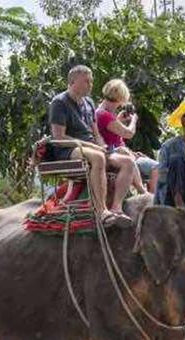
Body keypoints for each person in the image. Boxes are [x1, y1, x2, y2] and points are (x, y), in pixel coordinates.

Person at [48, 65, 134, 227]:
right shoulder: (59, 102)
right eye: (86, 81)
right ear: (73, 82)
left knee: (127, 162)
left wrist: (103, 146)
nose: (91, 84)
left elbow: (96, 134)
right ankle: (102, 211)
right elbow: (59, 137)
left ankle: (116, 207)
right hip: (68, 149)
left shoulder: (89, 102)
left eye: (91, 81)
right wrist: (94, 147)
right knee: (98, 157)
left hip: (91, 147)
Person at [94, 79, 156, 196]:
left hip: (121, 152)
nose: (121, 105)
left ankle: (146, 194)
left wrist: (118, 120)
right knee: (157, 168)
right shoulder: (104, 115)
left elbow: (110, 133)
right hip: (116, 154)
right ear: (119, 98)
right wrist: (134, 120)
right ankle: (148, 197)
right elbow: (129, 133)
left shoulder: (101, 113)